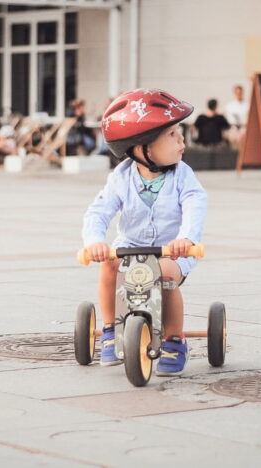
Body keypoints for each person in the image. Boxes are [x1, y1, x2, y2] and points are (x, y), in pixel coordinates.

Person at [82, 88, 207, 376]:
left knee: (164, 275)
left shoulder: (182, 175)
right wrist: (95, 242)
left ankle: (175, 340)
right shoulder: (121, 177)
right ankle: (111, 328)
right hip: (130, 247)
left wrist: (186, 238)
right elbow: (98, 211)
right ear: (143, 147)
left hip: (171, 250)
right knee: (109, 266)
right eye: (173, 134)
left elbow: (195, 203)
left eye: (180, 132)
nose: (181, 140)